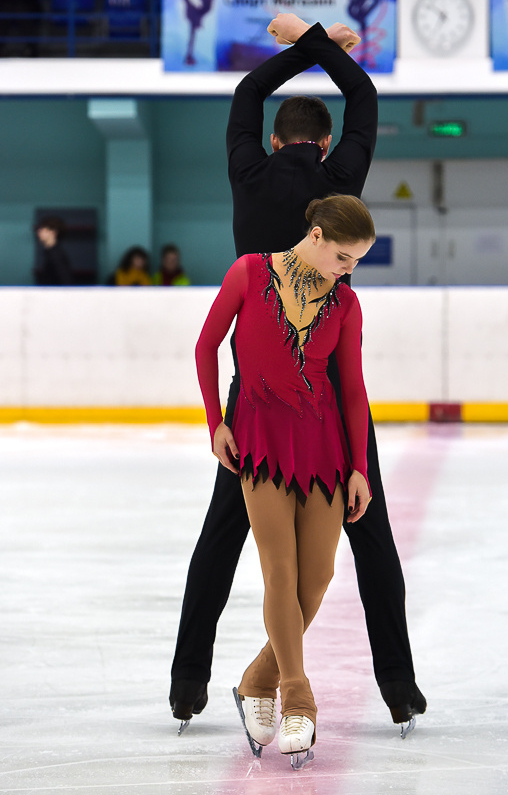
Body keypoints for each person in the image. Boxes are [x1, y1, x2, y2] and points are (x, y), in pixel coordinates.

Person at [170, 13, 426, 737]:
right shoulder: (341, 181)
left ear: (276, 141)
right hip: (329, 395)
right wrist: (323, 44)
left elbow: (249, 92)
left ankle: (188, 680)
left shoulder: (248, 170)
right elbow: (363, 96)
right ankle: (398, 684)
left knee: (222, 534)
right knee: (369, 534)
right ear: (326, 144)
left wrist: (298, 44)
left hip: (254, 396)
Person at [195, 195, 374, 764]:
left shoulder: (346, 303)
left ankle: (256, 678)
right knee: (280, 569)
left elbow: (353, 391)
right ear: (317, 235)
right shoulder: (248, 273)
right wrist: (216, 423)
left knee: (316, 578)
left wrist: (359, 467)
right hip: (261, 440)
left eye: (357, 261)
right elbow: (206, 346)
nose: (349, 269)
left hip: (323, 446)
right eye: (344, 257)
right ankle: (297, 696)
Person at [34, 216, 72, 286]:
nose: (39, 232)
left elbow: (66, 281)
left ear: (53, 232)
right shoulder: (51, 253)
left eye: (43, 229)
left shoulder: (56, 255)